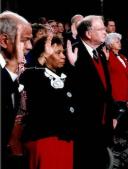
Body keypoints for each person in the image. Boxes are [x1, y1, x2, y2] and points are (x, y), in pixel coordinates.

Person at [66, 15, 128, 169]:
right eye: (101, 29)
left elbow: (105, 89)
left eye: (105, 28)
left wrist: (115, 111)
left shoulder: (99, 53)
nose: (106, 32)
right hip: (85, 125)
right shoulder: (74, 50)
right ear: (89, 33)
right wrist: (73, 66)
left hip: (102, 124)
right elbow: (73, 89)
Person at [20, 35, 75, 169]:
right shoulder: (35, 74)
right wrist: (42, 57)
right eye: (58, 53)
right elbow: (28, 76)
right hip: (45, 139)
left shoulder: (65, 75)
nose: (63, 56)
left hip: (65, 139)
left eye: (63, 52)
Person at [0, 10, 32, 169]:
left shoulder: (13, 72)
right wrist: (13, 65)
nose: (29, 46)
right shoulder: (10, 71)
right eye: (24, 40)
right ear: (4, 41)